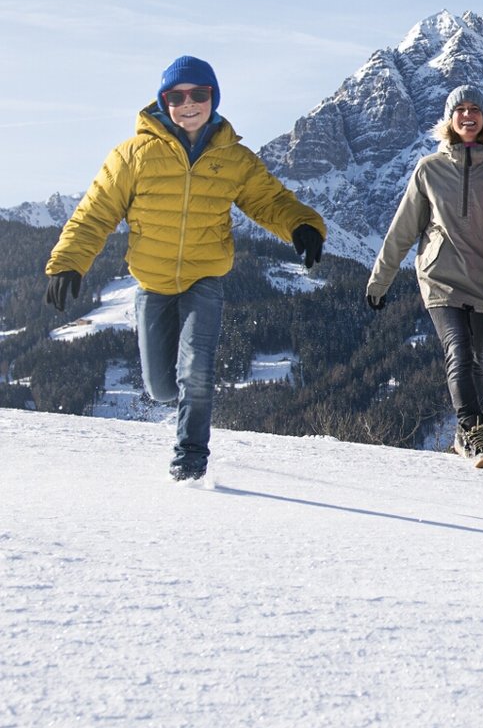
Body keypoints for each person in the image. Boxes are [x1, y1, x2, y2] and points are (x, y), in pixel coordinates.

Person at [44, 56, 327, 482]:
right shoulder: (132, 155)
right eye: (176, 97)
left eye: (199, 94)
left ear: (213, 98)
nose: (188, 103)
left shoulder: (234, 158)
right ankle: (183, 411)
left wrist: (302, 225)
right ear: (163, 102)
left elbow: (270, 200)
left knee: (196, 371)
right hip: (152, 282)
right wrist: (69, 262)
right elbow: (96, 212)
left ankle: (189, 458)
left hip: (204, 278)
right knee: (161, 387)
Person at [366, 86, 483, 467]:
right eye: (461, 110)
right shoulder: (429, 169)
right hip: (441, 278)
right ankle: (475, 430)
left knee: (478, 360)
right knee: (458, 350)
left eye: (475, 109)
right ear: (449, 119)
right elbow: (403, 229)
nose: (468, 116)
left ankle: (465, 435)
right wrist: (380, 279)